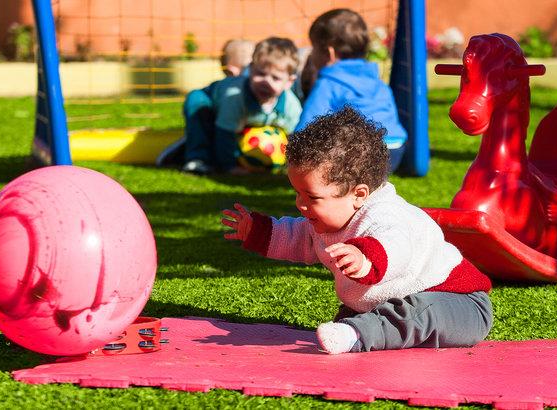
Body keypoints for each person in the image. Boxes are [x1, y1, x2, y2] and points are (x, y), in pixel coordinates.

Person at [221, 107, 493, 354]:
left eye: (312, 197)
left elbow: (396, 244)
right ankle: (360, 329)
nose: (301, 205)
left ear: (359, 194)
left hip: (459, 303)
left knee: (417, 313)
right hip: (393, 302)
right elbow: (298, 238)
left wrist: (365, 259)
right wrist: (257, 230)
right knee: (388, 314)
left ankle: (357, 333)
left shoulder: (387, 214)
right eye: (297, 194)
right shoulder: (326, 221)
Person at [158, 37, 302, 175]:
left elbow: (295, 137)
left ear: (289, 82)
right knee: (199, 112)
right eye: (260, 73)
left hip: (240, 121)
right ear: (250, 69)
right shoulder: (235, 97)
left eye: (275, 78)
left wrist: (293, 165)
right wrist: (230, 167)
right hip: (209, 101)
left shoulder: (291, 105)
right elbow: (224, 135)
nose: (265, 81)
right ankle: (197, 158)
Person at [296, 9, 408, 173]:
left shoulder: (329, 83)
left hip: (359, 154)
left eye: (314, 48)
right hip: (395, 148)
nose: (312, 54)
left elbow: (307, 125)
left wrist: (292, 149)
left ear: (329, 53)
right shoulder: (375, 78)